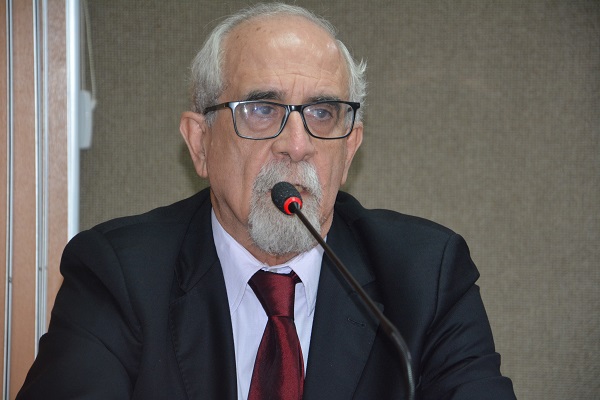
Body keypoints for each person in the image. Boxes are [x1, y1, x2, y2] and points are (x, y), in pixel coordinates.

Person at [17, 3, 516, 399]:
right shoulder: (118, 274)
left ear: (349, 150)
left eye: (322, 113)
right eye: (261, 109)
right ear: (200, 143)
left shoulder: (427, 276)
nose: (296, 145)